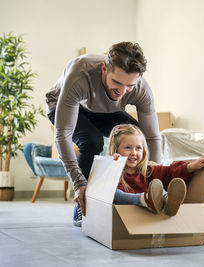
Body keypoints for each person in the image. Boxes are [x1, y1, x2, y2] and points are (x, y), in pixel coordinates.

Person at [45, 42, 161, 226]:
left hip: (102, 109)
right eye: (117, 82)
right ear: (104, 69)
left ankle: (134, 194)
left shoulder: (141, 90)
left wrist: (156, 177)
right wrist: (78, 183)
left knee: (135, 136)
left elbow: (152, 137)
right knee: (91, 141)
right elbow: (63, 134)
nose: (122, 92)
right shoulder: (80, 74)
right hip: (63, 104)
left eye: (129, 86)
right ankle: (82, 206)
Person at [109, 124, 204, 215]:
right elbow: (106, 191)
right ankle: (144, 199)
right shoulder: (113, 170)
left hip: (148, 214)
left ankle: (168, 201)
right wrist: (114, 166)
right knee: (112, 193)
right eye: (127, 148)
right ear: (116, 149)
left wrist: (191, 166)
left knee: (158, 186)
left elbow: (169, 172)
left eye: (138, 148)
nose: (134, 153)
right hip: (127, 212)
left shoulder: (148, 171)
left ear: (144, 151)